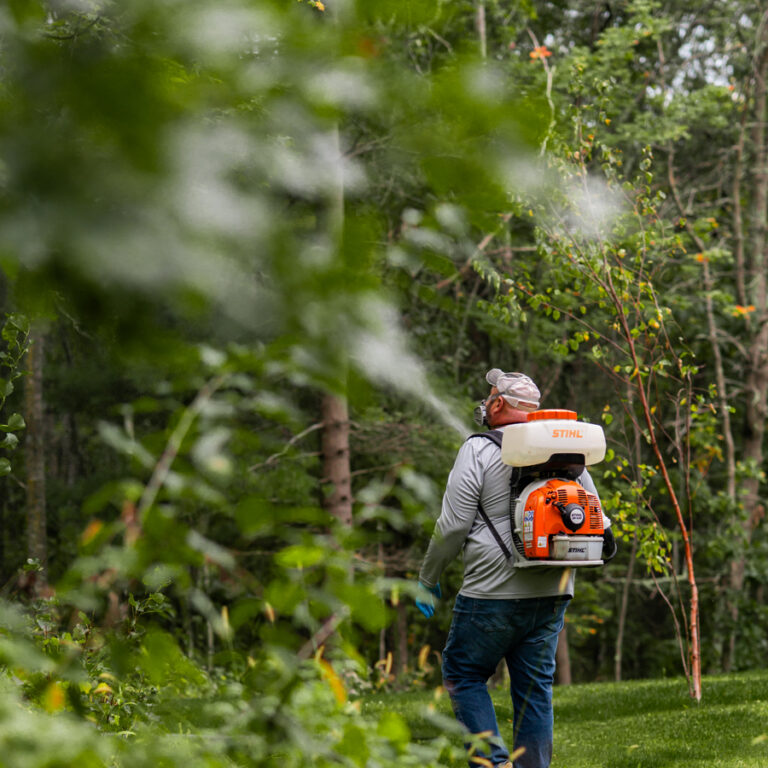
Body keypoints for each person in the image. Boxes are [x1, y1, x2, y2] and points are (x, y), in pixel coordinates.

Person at [416, 368, 607, 768]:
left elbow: (452, 527)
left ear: (498, 403)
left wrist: (427, 578)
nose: (485, 403)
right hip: (553, 591)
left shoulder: (478, 449)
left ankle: (493, 762)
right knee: (534, 689)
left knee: (464, 673)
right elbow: (598, 519)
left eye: (489, 397)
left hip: (491, 593)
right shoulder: (566, 452)